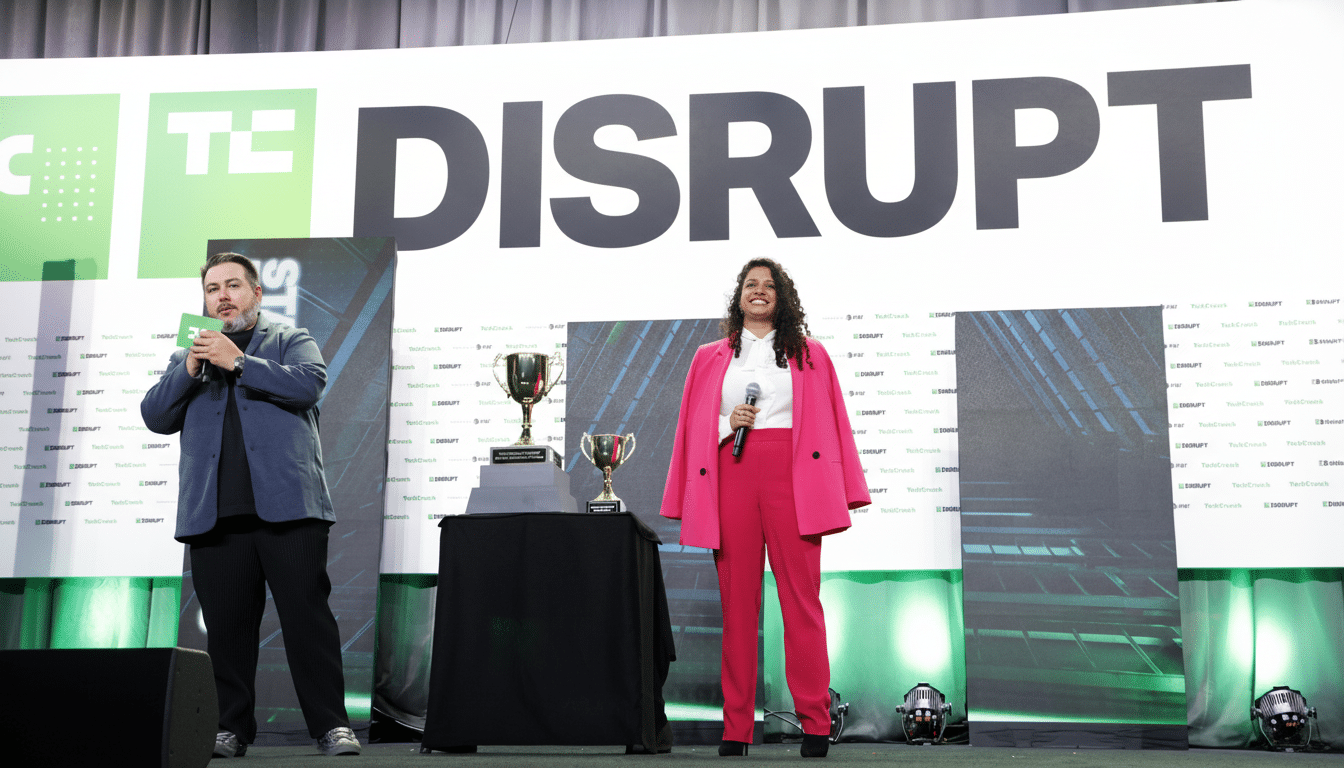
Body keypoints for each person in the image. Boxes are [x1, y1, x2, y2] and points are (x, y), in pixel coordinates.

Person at [141, 253, 361, 758]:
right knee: (227, 630)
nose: (222, 296)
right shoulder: (186, 354)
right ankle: (230, 728)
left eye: (233, 285)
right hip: (215, 514)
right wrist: (192, 368)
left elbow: (308, 385)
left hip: (289, 510)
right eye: (213, 288)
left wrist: (237, 361)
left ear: (256, 294)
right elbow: (155, 415)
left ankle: (331, 725)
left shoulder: (288, 338)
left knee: (307, 621)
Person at [660, 258, 870, 758]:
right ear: (739, 296)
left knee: (802, 601)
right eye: (751, 285)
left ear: (782, 297)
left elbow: (833, 421)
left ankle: (816, 723)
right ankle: (736, 729)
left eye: (768, 285)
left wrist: (845, 486)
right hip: (731, 473)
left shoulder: (809, 353)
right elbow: (693, 426)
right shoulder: (709, 356)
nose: (759, 291)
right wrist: (727, 422)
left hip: (793, 480)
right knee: (737, 606)